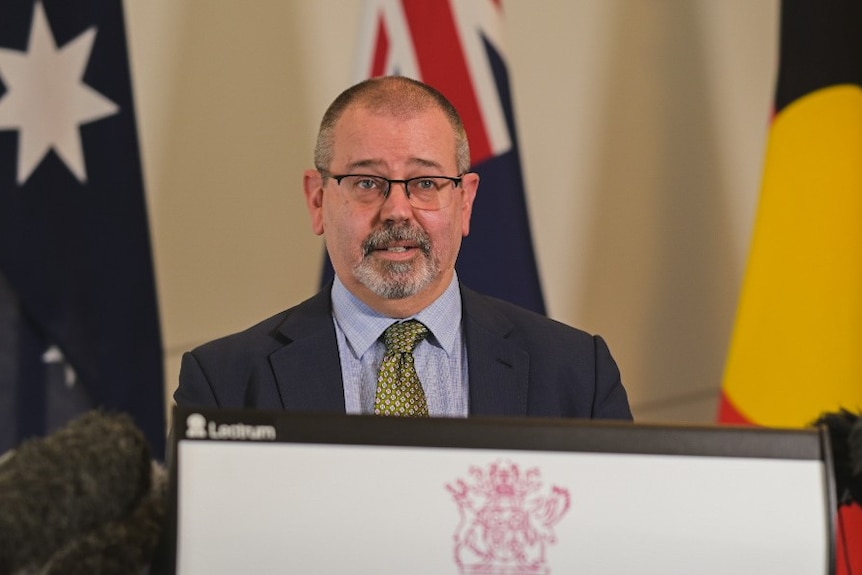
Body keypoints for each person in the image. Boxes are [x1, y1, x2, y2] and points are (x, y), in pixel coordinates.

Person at [175, 76, 631, 421]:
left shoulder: (577, 375)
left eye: (426, 182)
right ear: (318, 199)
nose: (397, 210)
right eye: (367, 182)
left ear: (465, 201)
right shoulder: (224, 384)